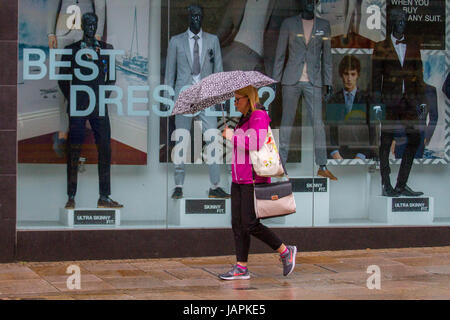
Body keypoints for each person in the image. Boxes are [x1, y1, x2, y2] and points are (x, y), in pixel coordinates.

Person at [219, 85, 297, 280]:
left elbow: (255, 143)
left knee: (250, 223)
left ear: (248, 98)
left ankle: (285, 251)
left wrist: (232, 136)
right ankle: (241, 267)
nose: (235, 102)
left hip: (252, 179)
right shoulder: (243, 119)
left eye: (238, 99)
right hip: (238, 179)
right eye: (234, 99)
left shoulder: (258, 115)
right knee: (237, 224)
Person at [165, 4, 230, 200]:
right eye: (193, 16)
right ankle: (178, 185)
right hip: (184, 94)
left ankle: (215, 185)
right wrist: (169, 99)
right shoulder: (176, 41)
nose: (196, 19)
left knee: (212, 138)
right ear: (188, 17)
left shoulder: (212, 40)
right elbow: (170, 73)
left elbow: (218, 70)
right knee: (181, 139)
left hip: (206, 95)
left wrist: (220, 98)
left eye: (199, 16)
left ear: (202, 18)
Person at [58, 12, 122, 209]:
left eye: (94, 24)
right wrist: (75, 98)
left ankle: (104, 196)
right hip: (79, 105)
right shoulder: (71, 49)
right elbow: (62, 79)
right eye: (88, 24)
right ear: (82, 26)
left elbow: (111, 78)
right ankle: (71, 196)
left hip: (99, 105)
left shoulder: (106, 49)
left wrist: (102, 98)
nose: (91, 27)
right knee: (73, 150)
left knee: (105, 149)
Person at [272, 0, 337, 180]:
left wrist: (328, 82)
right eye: (306, 1)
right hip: (291, 79)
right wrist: (275, 80)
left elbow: (328, 58)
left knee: (318, 123)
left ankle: (322, 164)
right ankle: (281, 164)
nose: (309, 3)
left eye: (312, 1)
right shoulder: (289, 24)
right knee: (287, 123)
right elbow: (280, 54)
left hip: (314, 80)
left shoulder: (324, 25)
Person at [372, 9, 425, 197]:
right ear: (392, 22)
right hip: (389, 101)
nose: (401, 23)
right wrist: (377, 103)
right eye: (398, 20)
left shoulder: (413, 46)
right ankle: (386, 184)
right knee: (385, 143)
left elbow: (419, 74)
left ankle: (401, 184)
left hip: (409, 101)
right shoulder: (381, 47)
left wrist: (421, 101)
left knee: (415, 139)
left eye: (403, 20)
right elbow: (375, 78)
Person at [48, 0, 106, 157]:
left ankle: (77, 128)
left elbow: (100, 6)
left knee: (84, 81)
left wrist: (98, 32)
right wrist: (51, 32)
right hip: (62, 32)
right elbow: (54, 4)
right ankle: (63, 130)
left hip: (85, 33)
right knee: (63, 80)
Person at [326, 55, 375, 160]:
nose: (349, 78)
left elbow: (372, 131)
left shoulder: (366, 100)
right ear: (341, 74)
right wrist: (335, 153)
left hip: (362, 156)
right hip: (337, 156)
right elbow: (329, 130)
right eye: (346, 74)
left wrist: (361, 155)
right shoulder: (333, 100)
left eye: (353, 74)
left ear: (358, 75)